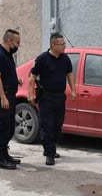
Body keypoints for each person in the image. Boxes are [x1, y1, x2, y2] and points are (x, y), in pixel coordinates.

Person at [27, 32, 76, 166]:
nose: (64, 46)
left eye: (64, 44)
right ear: (53, 45)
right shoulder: (42, 59)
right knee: (47, 125)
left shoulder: (65, 59)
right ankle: (49, 154)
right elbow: (32, 77)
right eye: (62, 44)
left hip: (60, 97)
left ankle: (50, 148)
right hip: (46, 97)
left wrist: (73, 90)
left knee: (57, 125)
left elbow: (70, 74)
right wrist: (30, 94)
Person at [0, 29, 22, 170]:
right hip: (3, 96)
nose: (18, 45)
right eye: (17, 42)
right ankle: (1, 159)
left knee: (9, 127)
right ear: (10, 41)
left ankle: (6, 155)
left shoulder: (8, 54)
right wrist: (3, 97)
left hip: (10, 94)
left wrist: (16, 80)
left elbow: (6, 74)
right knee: (1, 126)